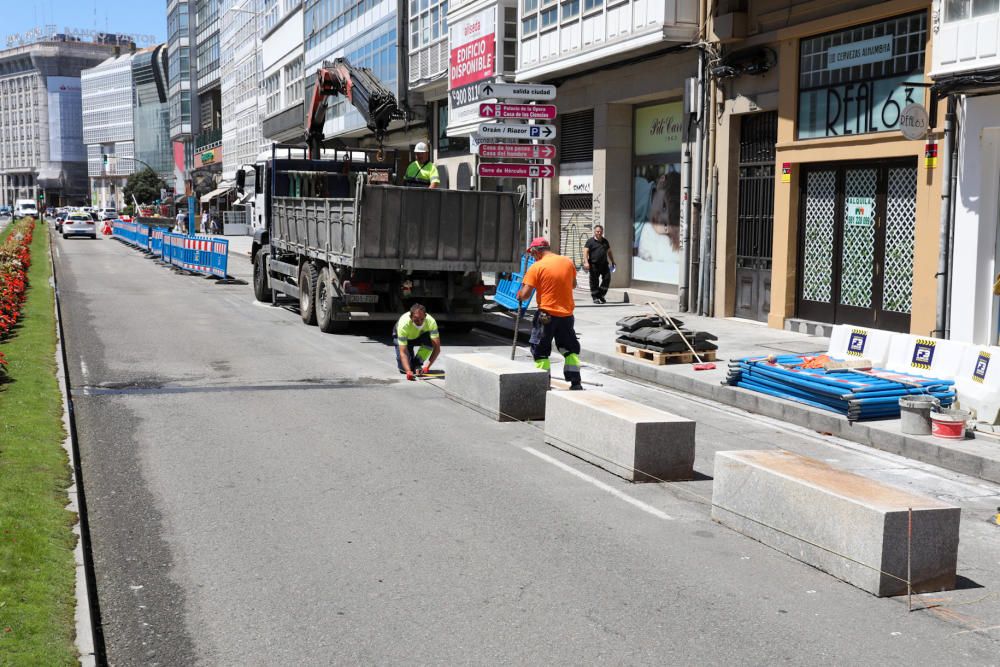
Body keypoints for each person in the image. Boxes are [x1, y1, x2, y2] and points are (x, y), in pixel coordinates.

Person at [516, 237, 583, 390]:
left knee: (540, 349)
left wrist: (519, 295)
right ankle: (576, 382)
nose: (532, 257)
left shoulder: (536, 267)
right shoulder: (567, 262)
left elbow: (525, 295)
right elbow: (573, 284)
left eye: (532, 254)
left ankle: (543, 384)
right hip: (566, 315)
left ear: (536, 251)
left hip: (546, 315)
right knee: (570, 349)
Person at [394, 303, 441, 381]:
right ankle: (411, 365)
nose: (419, 322)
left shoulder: (431, 322)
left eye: (422, 319)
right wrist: (408, 371)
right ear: (411, 317)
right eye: (416, 319)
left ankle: (417, 363)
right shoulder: (403, 324)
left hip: (418, 335)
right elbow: (403, 352)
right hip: (404, 337)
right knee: (404, 369)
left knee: (431, 342)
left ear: (425, 316)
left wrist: (427, 367)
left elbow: (437, 349)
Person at [582, 225, 616, 304]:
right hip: (594, 264)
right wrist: (586, 262)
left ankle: (600, 294)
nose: (599, 233)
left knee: (607, 278)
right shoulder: (590, 241)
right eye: (597, 231)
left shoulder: (605, 241)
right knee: (594, 281)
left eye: (600, 231)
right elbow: (585, 252)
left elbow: (609, 252)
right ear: (594, 232)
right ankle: (595, 297)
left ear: (602, 232)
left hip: (604, 264)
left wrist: (613, 261)